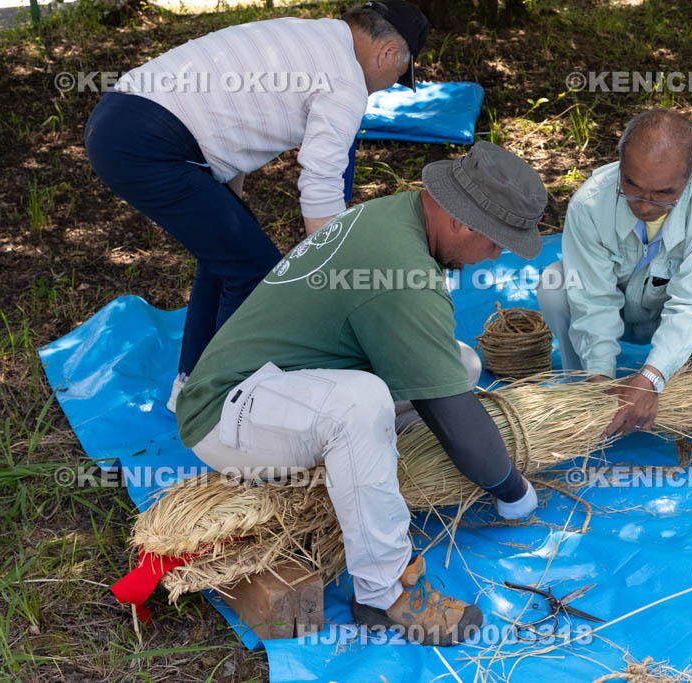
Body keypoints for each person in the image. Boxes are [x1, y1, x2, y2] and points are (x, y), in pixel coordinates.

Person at [175, 142, 548, 646]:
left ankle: (364, 471)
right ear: (464, 223)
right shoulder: (403, 272)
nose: (496, 256)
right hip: (227, 414)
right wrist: (511, 489)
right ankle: (383, 592)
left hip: (278, 388)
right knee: (361, 402)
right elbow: (456, 417)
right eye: (497, 243)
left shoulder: (397, 216)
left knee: (458, 363)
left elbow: (441, 382)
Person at [83, 1, 430, 411]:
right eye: (397, 77)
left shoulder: (306, 35)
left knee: (226, 256)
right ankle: (221, 405)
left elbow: (228, 120)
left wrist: (229, 201)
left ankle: (191, 386)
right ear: (387, 52)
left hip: (120, 118)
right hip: (148, 140)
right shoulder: (346, 83)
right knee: (253, 273)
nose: (389, 86)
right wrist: (339, 280)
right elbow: (319, 187)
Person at [537, 109, 692, 438]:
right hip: (621, 310)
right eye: (631, 185)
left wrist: (652, 377)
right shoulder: (590, 202)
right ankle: (581, 387)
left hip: (670, 314)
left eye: (664, 193)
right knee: (555, 284)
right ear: (619, 165)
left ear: (690, 175)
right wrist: (601, 382)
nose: (645, 205)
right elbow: (592, 299)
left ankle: (679, 380)